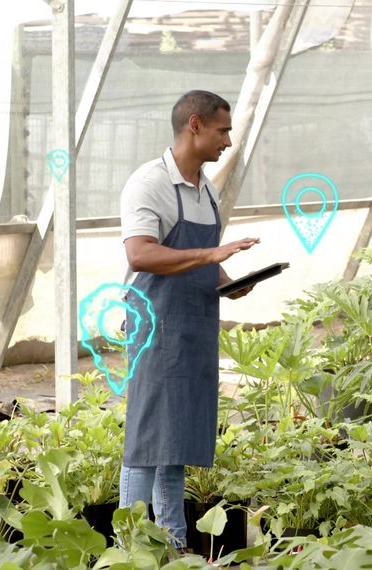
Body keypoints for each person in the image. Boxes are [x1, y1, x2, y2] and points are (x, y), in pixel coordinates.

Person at [118, 90, 260, 551]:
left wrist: (232, 282)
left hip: (194, 325)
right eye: (223, 130)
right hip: (156, 325)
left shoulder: (207, 187)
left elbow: (202, 261)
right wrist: (210, 254)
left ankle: (175, 542)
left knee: (177, 442)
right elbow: (140, 254)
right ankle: (133, 546)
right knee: (145, 443)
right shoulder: (149, 182)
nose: (228, 140)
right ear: (195, 125)